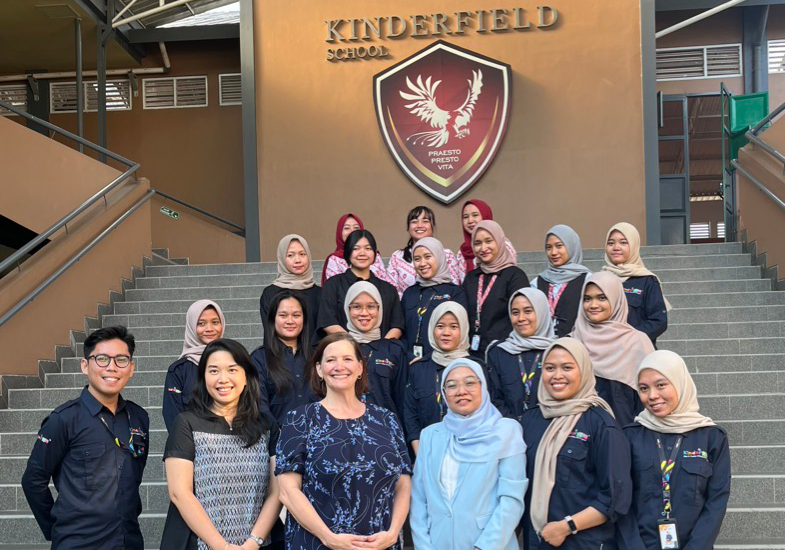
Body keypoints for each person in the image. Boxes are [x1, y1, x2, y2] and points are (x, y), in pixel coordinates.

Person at [276, 333, 412, 550]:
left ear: (360, 368)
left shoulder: (387, 419)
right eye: (330, 360)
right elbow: (288, 492)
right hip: (318, 543)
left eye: (347, 359)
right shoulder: (300, 419)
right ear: (319, 370)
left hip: (380, 544)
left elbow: (403, 483)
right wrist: (329, 538)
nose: (339, 366)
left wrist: (394, 533)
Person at [22, 326, 149, 550]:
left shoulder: (139, 417)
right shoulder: (64, 419)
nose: (112, 367)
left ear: (131, 368)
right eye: (102, 359)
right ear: (85, 365)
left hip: (129, 541)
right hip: (79, 543)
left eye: (121, 359)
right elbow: (33, 481)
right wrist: (57, 529)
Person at [161, 338, 283, 550]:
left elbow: (276, 492)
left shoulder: (266, 425)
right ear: (203, 377)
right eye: (214, 371)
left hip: (258, 544)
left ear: (246, 376)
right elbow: (179, 492)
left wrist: (253, 542)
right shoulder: (187, 423)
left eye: (232, 370)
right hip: (198, 543)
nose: (223, 379)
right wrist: (221, 546)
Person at [522, 337, 634, 550]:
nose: (557, 376)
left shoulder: (601, 423)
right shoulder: (531, 419)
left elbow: (615, 497)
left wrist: (566, 526)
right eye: (549, 368)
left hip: (583, 542)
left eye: (567, 368)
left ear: (583, 370)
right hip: (537, 541)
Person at [410, 358, 527, 550]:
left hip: (489, 544)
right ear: (444, 393)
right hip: (438, 543)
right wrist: (424, 546)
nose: (461, 391)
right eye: (451, 385)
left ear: (483, 386)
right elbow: (419, 498)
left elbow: (511, 500)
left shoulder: (506, 431)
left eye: (470, 382)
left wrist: (484, 546)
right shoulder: (430, 435)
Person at [625, 350, 731, 550]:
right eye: (643, 388)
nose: (652, 396)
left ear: (680, 382)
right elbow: (621, 501)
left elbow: (716, 500)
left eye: (661, 385)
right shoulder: (630, 436)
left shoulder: (712, 437)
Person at [571, 272, 655, 427]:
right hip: (582, 436)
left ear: (616, 299)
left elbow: (650, 396)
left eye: (602, 298)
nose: (593, 305)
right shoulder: (572, 343)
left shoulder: (638, 342)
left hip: (627, 433)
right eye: (587, 298)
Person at [404, 301, 472, 454]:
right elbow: (410, 414)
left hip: (469, 453)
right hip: (427, 450)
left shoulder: (475, 368)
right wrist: (421, 454)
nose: (446, 332)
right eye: (440, 326)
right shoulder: (418, 368)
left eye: (454, 327)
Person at [318, 229, 405, 339]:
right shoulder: (333, 285)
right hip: (344, 350)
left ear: (374, 253)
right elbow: (327, 321)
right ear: (348, 252)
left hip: (382, 353)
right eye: (356, 248)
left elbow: (397, 325)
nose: (362, 253)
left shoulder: (388, 289)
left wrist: (382, 348)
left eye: (368, 248)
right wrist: (353, 345)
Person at [486, 287, 557, 421]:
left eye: (528, 311)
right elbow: (494, 398)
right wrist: (512, 424)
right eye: (515, 312)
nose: (521, 318)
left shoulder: (558, 351)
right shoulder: (499, 351)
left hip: (550, 429)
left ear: (541, 312)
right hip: (508, 430)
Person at [463, 220, 530, 357]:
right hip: (472, 352)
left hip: (505, 351)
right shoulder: (471, 278)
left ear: (499, 242)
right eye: (477, 243)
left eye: (488, 241)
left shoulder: (514, 276)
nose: (483, 248)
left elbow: (520, 317)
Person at [344, 281, 407, 419]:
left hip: (385, 431)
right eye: (356, 307)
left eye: (371, 306)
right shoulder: (337, 348)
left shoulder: (393, 349)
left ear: (379, 309)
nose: (364, 313)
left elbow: (403, 399)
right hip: (343, 431)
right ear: (347, 309)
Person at [252, 292, 316, 426]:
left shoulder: (318, 356)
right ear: (272, 319)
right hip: (277, 441)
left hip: (319, 440)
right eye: (283, 315)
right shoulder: (260, 358)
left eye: (296, 315)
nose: (290, 321)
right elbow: (259, 406)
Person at [400, 237, 468, 362]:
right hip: (410, 363)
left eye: (427, 257)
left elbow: (460, 333)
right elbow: (401, 331)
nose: (422, 263)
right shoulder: (409, 293)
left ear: (439, 257)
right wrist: (409, 356)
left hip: (442, 363)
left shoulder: (455, 293)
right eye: (417, 259)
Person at [163, 300, 228, 431]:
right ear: (192, 326)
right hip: (191, 446)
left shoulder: (235, 363)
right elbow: (173, 417)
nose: (209, 329)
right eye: (201, 323)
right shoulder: (178, 371)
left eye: (215, 322)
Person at [602, 222, 671, 345]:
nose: (616, 247)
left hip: (637, 351)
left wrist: (629, 337)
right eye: (610, 243)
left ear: (634, 245)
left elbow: (658, 321)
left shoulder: (647, 280)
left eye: (623, 242)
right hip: (605, 352)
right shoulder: (599, 279)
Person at [386, 206, 463, 296]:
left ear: (432, 226)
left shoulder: (446, 254)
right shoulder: (397, 257)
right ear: (408, 227)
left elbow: (454, 285)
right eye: (414, 222)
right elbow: (391, 291)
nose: (419, 225)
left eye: (425, 221)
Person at [531, 224, 592, 336]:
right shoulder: (537, 283)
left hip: (576, 345)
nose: (553, 252)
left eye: (559, 246)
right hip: (542, 347)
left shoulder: (587, 280)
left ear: (571, 246)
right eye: (549, 247)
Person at [260, 234, 321, 344]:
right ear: (282, 258)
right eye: (290, 255)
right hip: (281, 357)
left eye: (302, 254)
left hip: (316, 358)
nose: (297, 260)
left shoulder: (320, 293)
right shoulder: (270, 293)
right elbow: (270, 333)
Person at [321, 212, 392, 284]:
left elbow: (384, 284)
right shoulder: (335, 259)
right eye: (347, 228)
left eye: (356, 227)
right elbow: (334, 288)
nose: (352, 231)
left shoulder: (374, 255)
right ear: (339, 232)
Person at [457, 199, 518, 275]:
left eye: (475, 215)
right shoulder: (462, 251)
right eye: (465, 217)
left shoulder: (502, 244)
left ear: (485, 215)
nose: (470, 220)